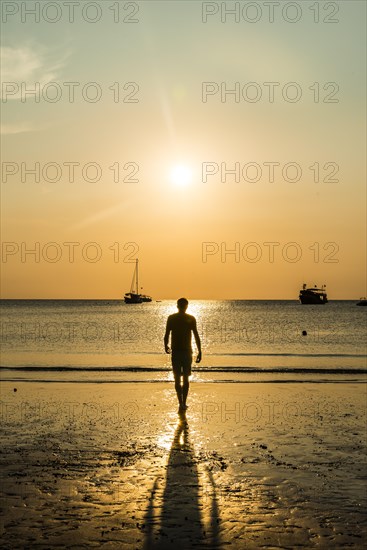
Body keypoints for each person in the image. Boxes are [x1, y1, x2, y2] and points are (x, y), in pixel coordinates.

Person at [164, 298, 202, 412]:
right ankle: (183, 403)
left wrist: (165, 345)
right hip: (184, 352)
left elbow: (166, 335)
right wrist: (200, 351)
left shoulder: (173, 318)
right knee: (185, 378)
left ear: (178, 306)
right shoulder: (188, 318)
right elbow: (196, 336)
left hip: (180, 352)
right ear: (186, 306)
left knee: (178, 378)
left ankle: (181, 403)